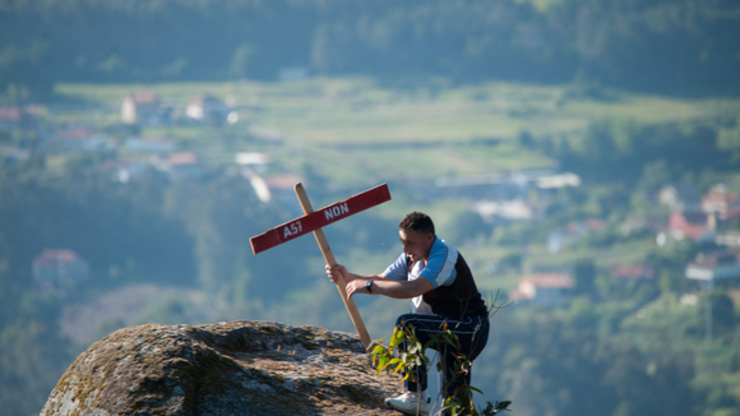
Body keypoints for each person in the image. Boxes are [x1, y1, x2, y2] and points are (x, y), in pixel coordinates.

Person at [326, 211, 490, 415]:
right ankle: (429, 402)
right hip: (449, 329)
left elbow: (413, 288)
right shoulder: (411, 256)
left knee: (407, 326)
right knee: (455, 407)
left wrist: (369, 286)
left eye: (410, 243)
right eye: (402, 242)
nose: (405, 249)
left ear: (429, 238)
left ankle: (414, 395)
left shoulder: (444, 256)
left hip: (470, 328)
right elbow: (383, 279)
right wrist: (348, 278)